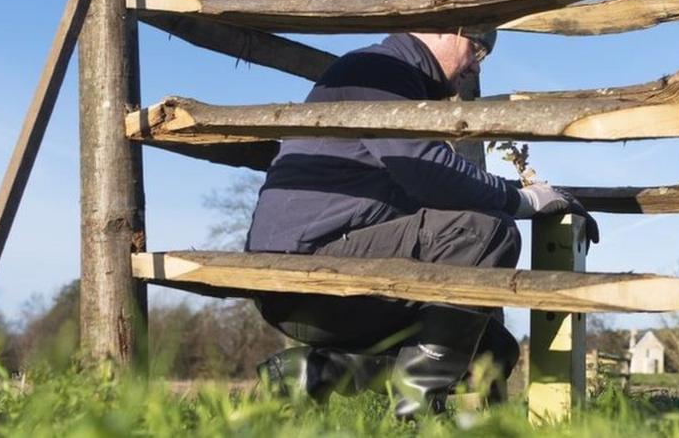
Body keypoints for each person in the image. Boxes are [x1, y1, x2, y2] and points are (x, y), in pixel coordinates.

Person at [245, 29, 599, 415]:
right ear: (445, 29)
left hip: (332, 268)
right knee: (484, 231)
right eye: (476, 49)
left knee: (492, 351)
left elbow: (435, 180)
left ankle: (315, 373)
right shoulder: (378, 70)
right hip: (303, 276)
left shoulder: (401, 82)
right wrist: (526, 200)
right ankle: (414, 415)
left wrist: (547, 200)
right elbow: (432, 174)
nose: (475, 66)